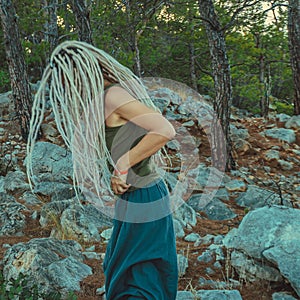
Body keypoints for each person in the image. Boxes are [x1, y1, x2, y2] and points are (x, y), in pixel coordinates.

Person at [26, 40, 178, 299]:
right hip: (133, 198)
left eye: (66, 81)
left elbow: (164, 130)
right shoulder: (102, 100)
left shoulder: (113, 96)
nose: (65, 89)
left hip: (146, 196)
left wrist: (122, 165)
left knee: (139, 280)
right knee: (122, 272)